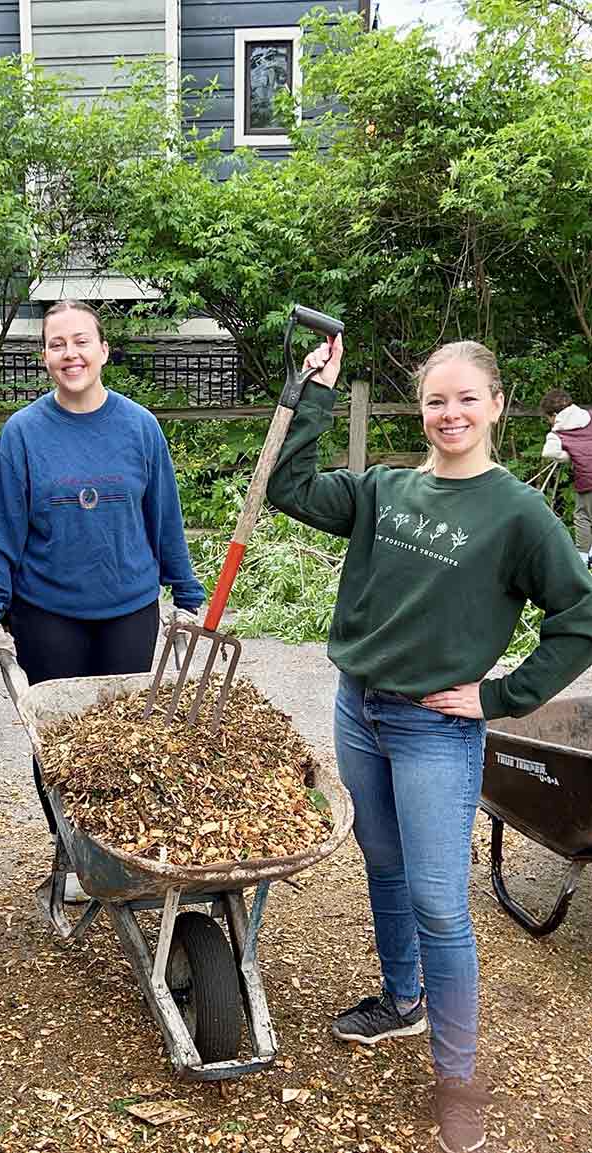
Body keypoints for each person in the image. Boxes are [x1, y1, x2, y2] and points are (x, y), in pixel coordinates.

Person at [266, 336, 592, 1153]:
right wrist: (315, 392)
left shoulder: (518, 513)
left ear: (497, 405)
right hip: (359, 711)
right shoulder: (385, 489)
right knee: (383, 859)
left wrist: (498, 696)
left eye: (465, 399)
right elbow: (287, 485)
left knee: (442, 902)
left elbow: (579, 619)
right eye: (435, 401)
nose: (449, 414)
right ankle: (401, 999)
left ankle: (458, 1081)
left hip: (436, 728)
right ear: (421, 411)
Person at [0, 300, 205, 882]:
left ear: (102, 350)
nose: (69, 354)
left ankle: (125, 852)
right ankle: (74, 855)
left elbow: (164, 517)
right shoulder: (23, 435)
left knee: (128, 740)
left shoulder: (139, 427)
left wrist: (187, 590)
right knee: (59, 743)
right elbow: (0, 529)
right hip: (49, 612)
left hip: (128, 608)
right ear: (44, 356)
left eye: (80, 342)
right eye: (56, 344)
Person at [539, 387, 592, 563]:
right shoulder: (590, 416)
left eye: (548, 419)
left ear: (554, 415)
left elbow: (548, 453)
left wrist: (567, 455)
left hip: (588, 479)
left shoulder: (558, 434)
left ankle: (583, 558)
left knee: (582, 516)